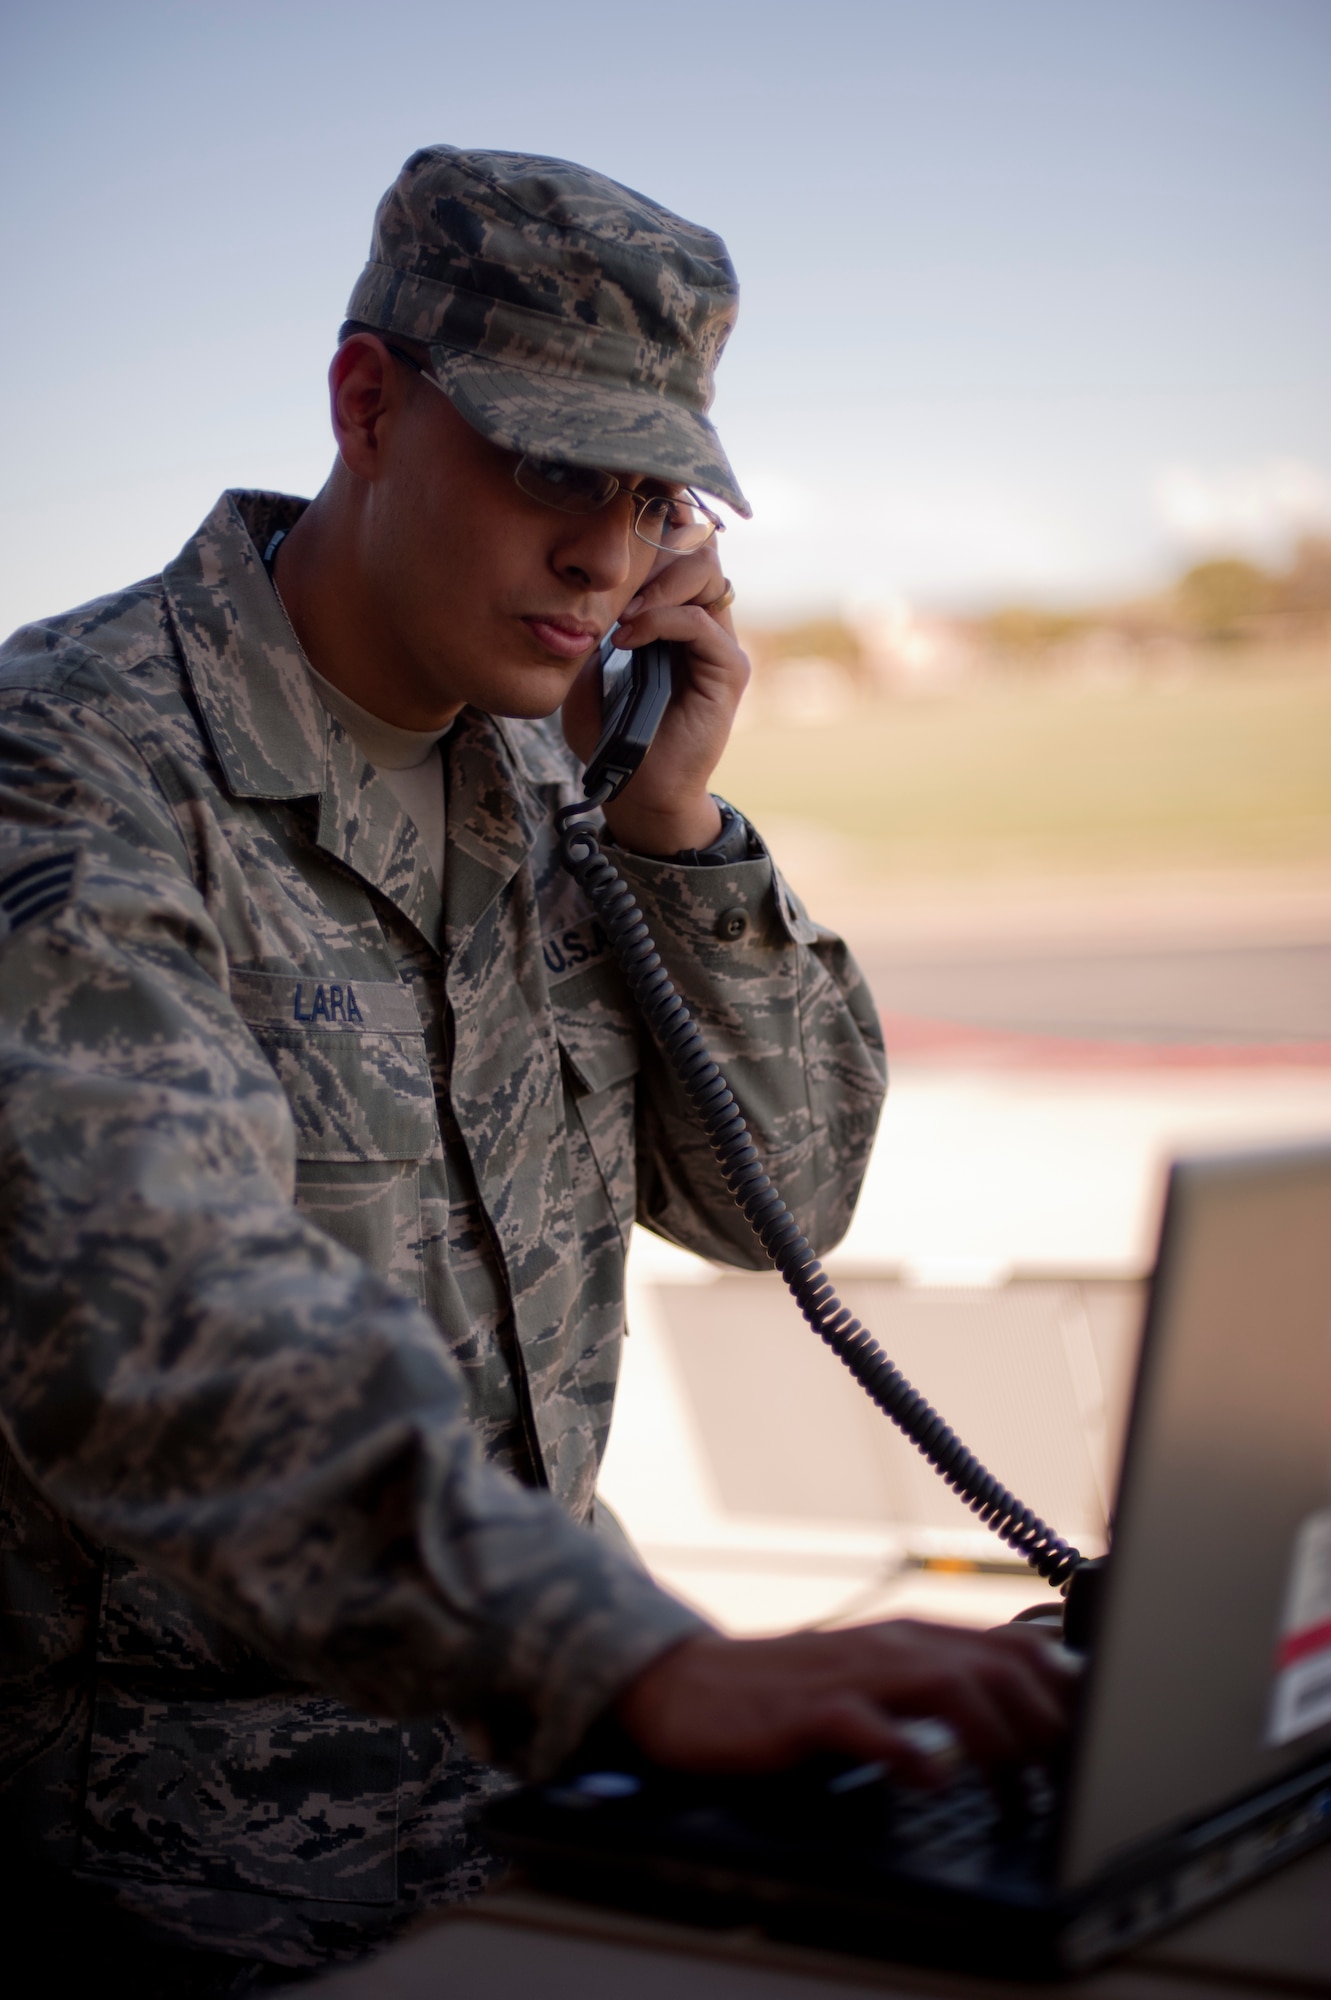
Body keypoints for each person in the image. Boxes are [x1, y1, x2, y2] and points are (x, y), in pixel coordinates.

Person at [0, 146, 1075, 1985]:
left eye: (653, 492)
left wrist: (673, 827)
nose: (607, 550)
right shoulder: (72, 770)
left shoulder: (556, 787)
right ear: (369, 404)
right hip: (182, 1888)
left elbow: (778, 1208)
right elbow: (151, 1311)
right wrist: (628, 1659)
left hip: (547, 1806)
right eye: (551, 468)